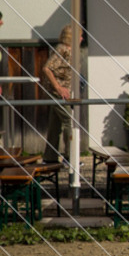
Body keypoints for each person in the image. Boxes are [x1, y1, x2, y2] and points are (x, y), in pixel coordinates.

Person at [41, 24, 78, 164]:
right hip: (56, 92)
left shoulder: (69, 50)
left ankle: (49, 157)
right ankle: (69, 156)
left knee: (55, 124)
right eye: (79, 35)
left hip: (59, 91)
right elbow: (47, 68)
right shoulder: (62, 49)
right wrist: (58, 87)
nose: (81, 38)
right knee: (68, 121)